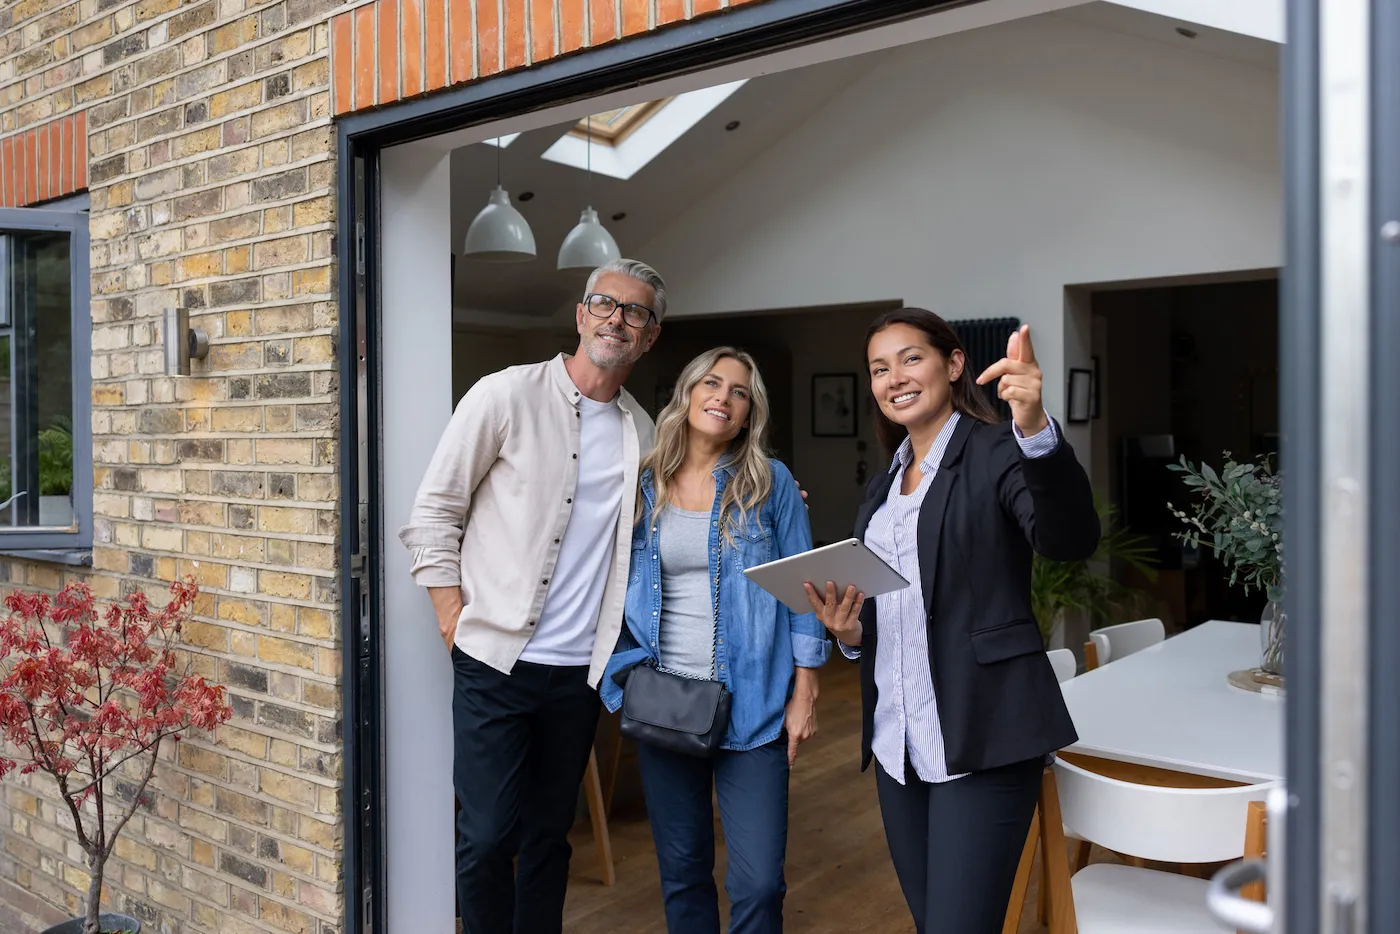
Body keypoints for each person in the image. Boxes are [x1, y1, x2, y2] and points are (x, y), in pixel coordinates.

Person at [803, 308, 1099, 934]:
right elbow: (901, 610)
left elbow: (1068, 539)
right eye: (879, 368)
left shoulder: (998, 449)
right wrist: (852, 634)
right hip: (898, 743)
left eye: (911, 358)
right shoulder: (883, 483)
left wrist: (1037, 429)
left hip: (983, 735)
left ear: (954, 364)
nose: (894, 379)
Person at [398, 259, 667, 934]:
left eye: (635, 312)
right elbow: (434, 514)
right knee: (487, 835)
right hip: (494, 661)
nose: (617, 320)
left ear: (650, 336)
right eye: (605, 304)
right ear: (581, 315)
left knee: (550, 836)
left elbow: (688, 513)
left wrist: (769, 499)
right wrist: (451, 619)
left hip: (580, 672)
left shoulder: (647, 433)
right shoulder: (505, 396)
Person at [601, 347, 830, 934]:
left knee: (758, 884)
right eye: (712, 383)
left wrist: (806, 688)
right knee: (682, 871)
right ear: (686, 392)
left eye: (739, 392)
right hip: (666, 702)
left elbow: (803, 590)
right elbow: (599, 576)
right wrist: (621, 678)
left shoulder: (771, 483)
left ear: (751, 413)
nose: (723, 398)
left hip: (754, 705)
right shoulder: (640, 482)